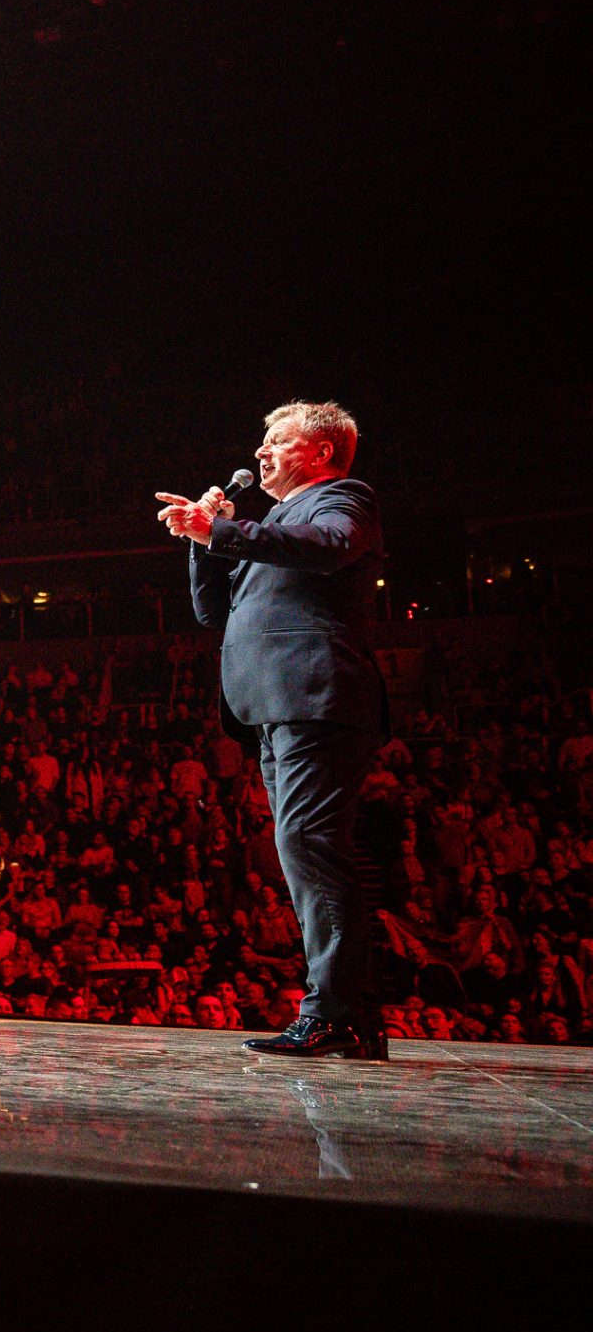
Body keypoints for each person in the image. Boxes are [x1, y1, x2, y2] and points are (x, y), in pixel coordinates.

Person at [158, 399, 387, 1059]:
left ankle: (334, 1010)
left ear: (317, 453)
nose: (260, 452)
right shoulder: (273, 522)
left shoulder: (341, 498)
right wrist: (207, 541)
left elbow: (331, 546)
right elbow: (213, 611)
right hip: (277, 708)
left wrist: (228, 532)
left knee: (310, 846)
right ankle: (352, 1014)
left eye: (275, 441)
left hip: (317, 696)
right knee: (304, 852)